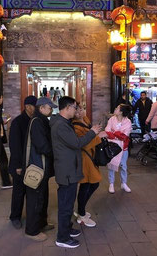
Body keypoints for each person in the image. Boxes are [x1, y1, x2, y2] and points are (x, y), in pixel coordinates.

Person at [50, 97, 101, 249]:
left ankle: (67, 229)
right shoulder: (61, 125)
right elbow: (77, 143)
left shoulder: (63, 122)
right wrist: (93, 132)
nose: (76, 110)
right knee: (65, 205)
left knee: (68, 203)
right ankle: (62, 238)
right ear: (66, 107)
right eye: (74, 107)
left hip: (69, 169)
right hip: (66, 171)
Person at [22, 97, 56, 241]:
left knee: (42, 197)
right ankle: (32, 231)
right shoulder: (37, 122)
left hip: (42, 167)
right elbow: (42, 145)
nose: (51, 110)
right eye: (49, 107)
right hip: (37, 166)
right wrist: (54, 152)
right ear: (41, 108)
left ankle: (41, 223)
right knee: (35, 199)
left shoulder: (41, 120)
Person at [7, 95, 37, 229]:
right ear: (28, 107)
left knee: (31, 191)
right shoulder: (18, 122)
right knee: (19, 192)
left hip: (31, 163)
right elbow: (15, 146)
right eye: (35, 106)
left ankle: (32, 216)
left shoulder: (34, 120)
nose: (36, 109)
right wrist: (18, 165)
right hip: (19, 164)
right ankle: (15, 217)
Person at [72, 104, 103, 227]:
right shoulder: (75, 126)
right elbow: (83, 144)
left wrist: (96, 131)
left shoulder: (85, 120)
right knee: (88, 184)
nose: (81, 111)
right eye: (77, 110)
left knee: (91, 183)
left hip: (90, 156)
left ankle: (81, 210)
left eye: (81, 109)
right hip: (84, 158)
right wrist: (98, 136)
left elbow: (91, 134)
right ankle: (81, 213)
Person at [106, 104, 132, 194]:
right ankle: (111, 183)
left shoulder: (128, 121)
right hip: (112, 146)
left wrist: (114, 133)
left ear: (121, 111)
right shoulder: (111, 119)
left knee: (123, 166)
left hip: (123, 147)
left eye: (117, 108)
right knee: (111, 165)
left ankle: (124, 183)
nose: (115, 109)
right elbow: (107, 131)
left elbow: (125, 135)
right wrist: (117, 134)